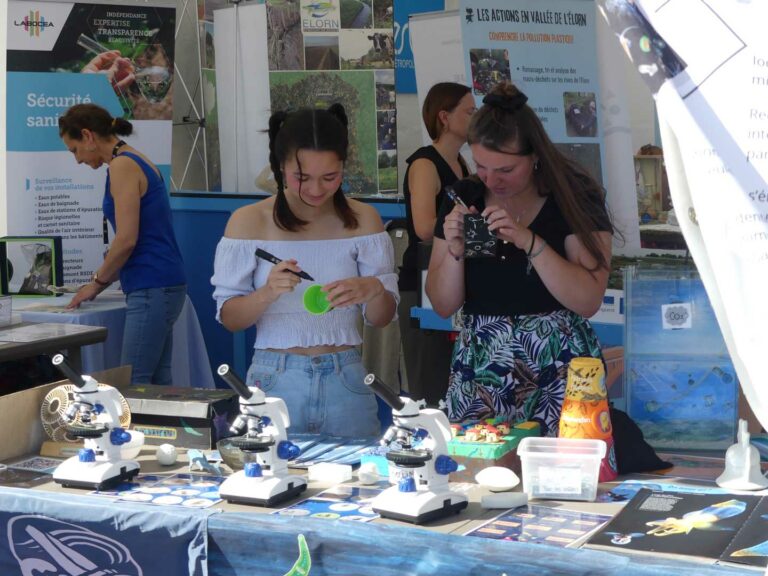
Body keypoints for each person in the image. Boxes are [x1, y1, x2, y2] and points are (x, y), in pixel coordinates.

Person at [426, 82, 614, 435]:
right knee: (479, 473)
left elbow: (588, 299)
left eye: (506, 170)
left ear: (535, 156)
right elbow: (444, 304)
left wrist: (530, 241)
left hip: (557, 366)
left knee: (564, 476)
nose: (492, 180)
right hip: (482, 366)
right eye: (481, 166)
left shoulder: (572, 196)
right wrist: (454, 251)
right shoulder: (468, 199)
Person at [211, 105, 398, 437]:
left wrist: (374, 290)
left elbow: (382, 317)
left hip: (347, 378)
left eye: (330, 177)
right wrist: (266, 293)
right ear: (280, 166)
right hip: (274, 379)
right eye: (302, 177)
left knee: (358, 482)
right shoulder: (248, 220)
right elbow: (230, 319)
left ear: (344, 164)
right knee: (272, 480)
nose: (315, 190)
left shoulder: (363, 219)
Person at [59, 103, 187, 386]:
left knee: (132, 383)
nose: (77, 159)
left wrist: (95, 282)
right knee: (157, 380)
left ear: (88, 135)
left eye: (74, 149)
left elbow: (127, 239)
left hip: (151, 283)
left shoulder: (122, 165)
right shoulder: (132, 159)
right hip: (162, 281)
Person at [399, 82, 474, 405]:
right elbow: (425, 227)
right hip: (421, 283)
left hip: (454, 278)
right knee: (427, 384)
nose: (476, 118)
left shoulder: (464, 165)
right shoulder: (424, 165)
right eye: (470, 112)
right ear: (444, 117)